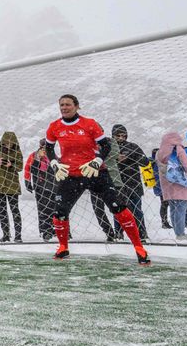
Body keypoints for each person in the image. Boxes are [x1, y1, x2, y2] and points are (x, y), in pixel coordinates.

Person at [45, 95, 148, 264]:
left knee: (117, 207)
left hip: (95, 173)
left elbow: (106, 146)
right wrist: (55, 163)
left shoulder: (89, 123)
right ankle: (63, 248)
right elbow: (49, 148)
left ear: (77, 106)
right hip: (70, 175)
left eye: (68, 104)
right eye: (61, 105)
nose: (64, 107)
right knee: (60, 212)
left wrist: (97, 161)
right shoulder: (54, 126)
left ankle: (139, 247)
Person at [112, 125, 151, 241]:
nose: (121, 138)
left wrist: (130, 157)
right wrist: (115, 158)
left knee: (137, 210)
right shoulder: (109, 147)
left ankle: (142, 234)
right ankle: (119, 234)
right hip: (117, 184)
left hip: (134, 184)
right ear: (113, 136)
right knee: (118, 211)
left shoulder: (133, 147)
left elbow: (145, 162)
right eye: (118, 135)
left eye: (123, 135)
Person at [156, 132, 187, 240]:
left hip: (167, 185)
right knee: (181, 210)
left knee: (173, 209)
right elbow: (186, 164)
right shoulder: (178, 149)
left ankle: (177, 232)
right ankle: (180, 234)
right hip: (180, 184)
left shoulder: (160, 152)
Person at [0, 132, 23, 243]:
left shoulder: (17, 152)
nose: (9, 145)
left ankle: (18, 235)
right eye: (7, 143)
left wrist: (11, 165)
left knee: (15, 210)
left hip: (12, 185)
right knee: (2, 211)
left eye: (11, 143)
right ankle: (6, 235)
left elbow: (20, 166)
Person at [25, 138, 56, 241]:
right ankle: (45, 231)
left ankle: (54, 230)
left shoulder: (53, 155)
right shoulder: (34, 156)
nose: (44, 148)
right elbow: (28, 169)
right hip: (40, 186)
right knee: (42, 208)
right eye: (42, 146)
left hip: (52, 186)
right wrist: (28, 182)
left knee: (53, 208)